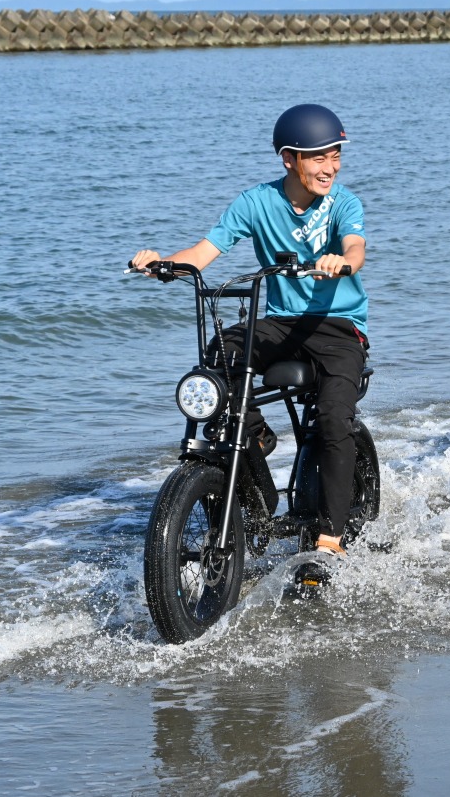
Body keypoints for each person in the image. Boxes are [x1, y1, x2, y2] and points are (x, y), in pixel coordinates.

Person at [131, 103, 368, 559]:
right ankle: (256, 437)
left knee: (334, 418)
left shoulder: (344, 203)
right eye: (318, 157)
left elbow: (355, 248)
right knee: (217, 359)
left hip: (338, 327)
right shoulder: (256, 202)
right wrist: (161, 264)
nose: (330, 167)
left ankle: (330, 538)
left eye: (335, 155)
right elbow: (202, 253)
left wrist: (341, 262)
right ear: (288, 159)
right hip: (279, 322)